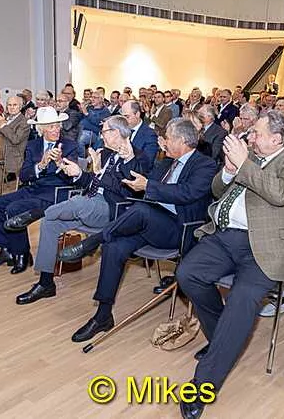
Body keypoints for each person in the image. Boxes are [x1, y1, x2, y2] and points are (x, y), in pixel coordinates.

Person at [175, 110, 284, 419]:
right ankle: (223, 341)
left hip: (267, 246)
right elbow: (217, 190)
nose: (250, 137)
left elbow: (280, 194)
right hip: (227, 237)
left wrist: (243, 164)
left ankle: (203, 384)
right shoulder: (250, 157)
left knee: (242, 299)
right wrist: (228, 172)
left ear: (276, 139)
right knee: (187, 274)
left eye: (256, 133)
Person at [58, 119, 218, 343]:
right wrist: (129, 161)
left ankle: (92, 242)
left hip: (179, 229)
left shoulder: (205, 165)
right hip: (150, 222)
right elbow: (139, 181)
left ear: (182, 140)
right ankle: (102, 315)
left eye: (168, 138)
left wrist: (148, 186)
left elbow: (187, 193)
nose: (164, 142)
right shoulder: (166, 162)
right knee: (114, 246)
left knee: (141, 211)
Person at [14, 115, 150, 305]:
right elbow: (91, 183)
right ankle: (46, 283)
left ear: (116, 133)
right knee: (50, 222)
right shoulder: (106, 153)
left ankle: (38, 212)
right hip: (90, 203)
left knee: (77, 202)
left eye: (104, 132)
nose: (101, 136)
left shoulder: (138, 157)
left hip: (112, 210)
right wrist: (79, 174)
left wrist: (110, 169)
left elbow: (125, 192)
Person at [0, 107, 77, 274]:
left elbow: (72, 179)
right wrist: (40, 165)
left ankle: (22, 254)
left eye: (58, 126)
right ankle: (7, 249)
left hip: (55, 193)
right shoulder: (33, 145)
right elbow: (24, 175)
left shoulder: (69, 146)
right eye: (52, 126)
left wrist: (59, 163)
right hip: (33, 189)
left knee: (14, 209)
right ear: (42, 129)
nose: (56, 130)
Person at [121, 100, 159, 170]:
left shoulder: (150, 135)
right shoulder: (121, 130)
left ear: (137, 114)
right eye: (122, 117)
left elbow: (147, 164)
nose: (124, 120)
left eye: (127, 117)